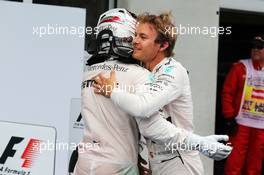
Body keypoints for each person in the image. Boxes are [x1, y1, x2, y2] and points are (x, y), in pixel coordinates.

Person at [74, 8, 232, 175]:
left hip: (179, 163)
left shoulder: (173, 71)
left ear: (162, 45)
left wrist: (113, 91)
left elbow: (142, 110)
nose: (135, 41)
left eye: (143, 37)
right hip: (156, 162)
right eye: (135, 35)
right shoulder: (143, 72)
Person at [222, 35, 264, 175]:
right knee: (234, 163)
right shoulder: (240, 67)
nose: (255, 50)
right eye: (253, 46)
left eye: (260, 47)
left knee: (255, 167)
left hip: (261, 128)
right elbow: (227, 92)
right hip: (241, 125)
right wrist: (228, 117)